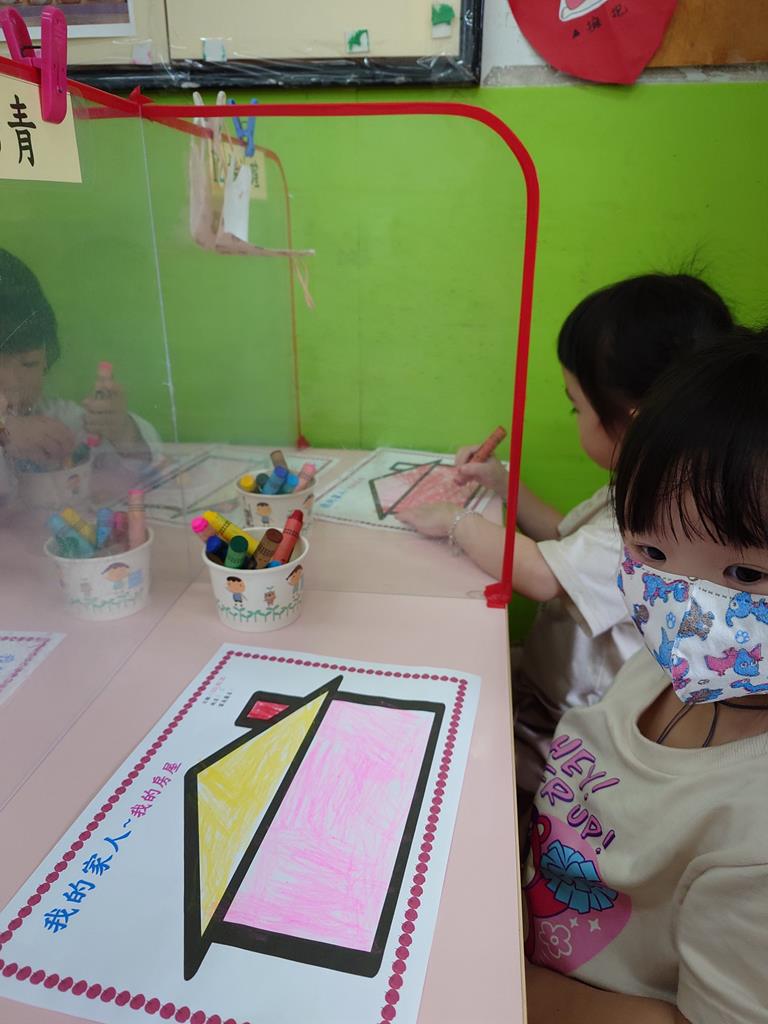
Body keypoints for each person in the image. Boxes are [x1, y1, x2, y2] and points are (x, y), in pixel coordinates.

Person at [398, 273, 734, 808]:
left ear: (633, 421)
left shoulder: (663, 523)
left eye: (577, 406)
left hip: (575, 729)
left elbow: (542, 575)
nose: (575, 416)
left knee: (452, 766)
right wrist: (503, 486)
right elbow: (566, 540)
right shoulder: (652, 480)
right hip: (550, 691)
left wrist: (455, 522)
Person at [523, 330, 768, 1023]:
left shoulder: (753, 839)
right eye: (652, 552)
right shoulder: (668, 667)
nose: (684, 607)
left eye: (745, 573)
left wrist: (498, 983)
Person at [0, 249, 159, 481]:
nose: (14, 384)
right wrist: (5, 431)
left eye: (29, 364)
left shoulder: (53, 417)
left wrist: (121, 430)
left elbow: (147, 467)